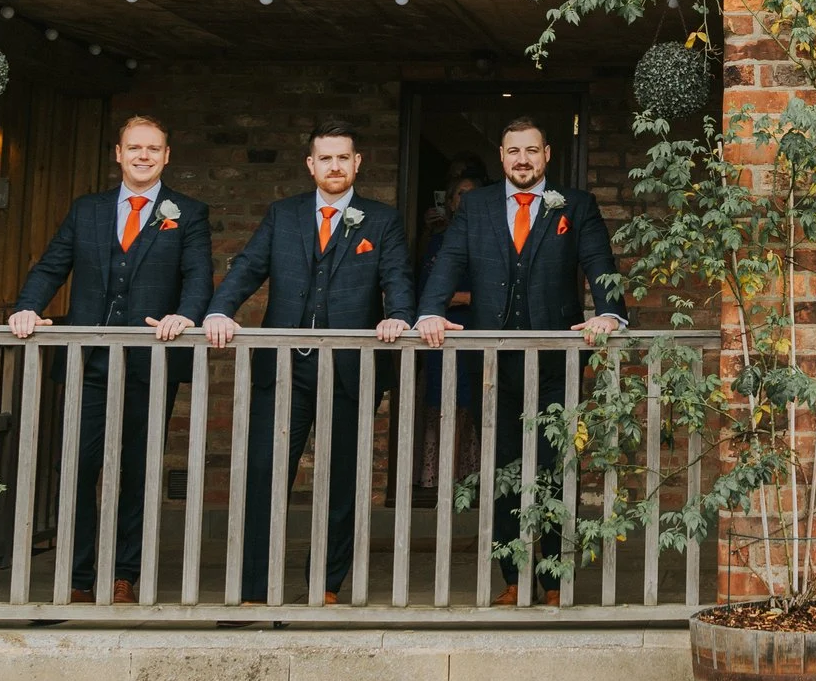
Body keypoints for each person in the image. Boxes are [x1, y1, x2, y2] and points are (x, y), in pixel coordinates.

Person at [389, 117, 621, 607]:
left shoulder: (575, 206)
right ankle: (514, 580)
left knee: (555, 470)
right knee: (501, 472)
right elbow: (449, 260)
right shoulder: (476, 206)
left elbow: (600, 263)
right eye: (513, 151)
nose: (522, 160)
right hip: (492, 366)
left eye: (531, 151)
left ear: (547, 154)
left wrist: (609, 315)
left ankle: (556, 581)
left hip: (557, 365)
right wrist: (430, 311)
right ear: (501, 156)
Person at [200, 122, 413, 605]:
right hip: (283, 370)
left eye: (343, 158)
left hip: (348, 371)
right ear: (310, 165)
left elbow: (397, 276)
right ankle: (256, 589)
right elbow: (250, 266)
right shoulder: (284, 214)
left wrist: (399, 317)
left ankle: (325, 586)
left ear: (357, 163)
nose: (334, 166)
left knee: (341, 483)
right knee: (264, 475)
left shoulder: (380, 220)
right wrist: (218, 310)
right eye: (325, 158)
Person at [6, 114, 212, 605]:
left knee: (137, 472)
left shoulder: (188, 212)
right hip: (87, 362)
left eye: (153, 149)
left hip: (151, 362)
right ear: (118, 154)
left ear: (166, 156)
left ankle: (124, 574)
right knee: (76, 467)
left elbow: (198, 278)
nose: (143, 156)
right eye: (134, 148)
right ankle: (78, 578)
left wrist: (184, 317)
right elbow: (53, 264)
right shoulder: (88, 210)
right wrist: (27, 308)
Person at [409, 158, 486, 491]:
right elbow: (425, 289)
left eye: (473, 195)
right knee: (444, 401)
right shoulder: (439, 240)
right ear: (451, 202)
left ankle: (470, 479)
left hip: (476, 329)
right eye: (460, 195)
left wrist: (467, 299)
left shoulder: (486, 240)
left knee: (476, 402)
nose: (465, 201)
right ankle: (440, 478)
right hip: (441, 331)